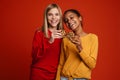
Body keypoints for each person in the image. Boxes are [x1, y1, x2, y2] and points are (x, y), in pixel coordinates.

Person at [56, 9, 98, 80]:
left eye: (71, 17)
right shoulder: (65, 40)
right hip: (64, 78)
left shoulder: (92, 38)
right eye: (66, 21)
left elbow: (92, 65)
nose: (69, 21)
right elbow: (61, 63)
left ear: (80, 18)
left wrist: (79, 47)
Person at [30, 4, 65, 80]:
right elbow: (35, 56)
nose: (54, 18)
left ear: (60, 16)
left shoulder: (63, 35)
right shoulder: (39, 33)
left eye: (56, 14)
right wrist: (50, 41)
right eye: (50, 15)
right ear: (46, 17)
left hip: (55, 75)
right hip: (39, 73)